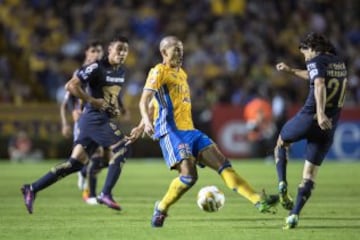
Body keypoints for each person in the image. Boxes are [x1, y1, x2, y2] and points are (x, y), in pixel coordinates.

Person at [127, 36, 279, 228]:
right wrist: (146, 123)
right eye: (176, 50)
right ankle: (161, 208)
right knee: (189, 177)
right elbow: (145, 100)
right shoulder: (159, 71)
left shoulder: (182, 73)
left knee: (224, 165)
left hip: (191, 131)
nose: (180, 54)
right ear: (164, 52)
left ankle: (259, 200)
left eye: (181, 50)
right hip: (172, 132)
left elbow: (155, 103)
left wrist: (142, 124)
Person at [21, 35, 130, 214]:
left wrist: (115, 109)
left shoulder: (121, 72)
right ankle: (105, 193)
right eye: (119, 49)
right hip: (94, 118)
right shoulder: (96, 67)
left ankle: (32, 188)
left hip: (101, 119)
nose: (122, 53)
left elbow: (111, 96)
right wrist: (91, 100)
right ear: (110, 49)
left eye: (125, 50)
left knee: (75, 164)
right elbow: (70, 86)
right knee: (122, 148)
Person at [274, 32, 347, 229]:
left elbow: (320, 83)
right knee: (309, 175)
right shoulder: (338, 62)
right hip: (328, 128)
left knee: (281, 142)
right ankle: (294, 214)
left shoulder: (315, 60)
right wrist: (290, 71)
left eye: (305, 53)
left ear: (312, 48)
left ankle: (282, 184)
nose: (305, 58)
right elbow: (314, 75)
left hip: (310, 118)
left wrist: (320, 112)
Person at [60, 40, 107, 205]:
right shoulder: (80, 72)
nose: (97, 54)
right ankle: (90, 194)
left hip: (96, 117)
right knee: (90, 156)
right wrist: (68, 120)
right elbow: (68, 97)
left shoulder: (101, 70)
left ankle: (87, 182)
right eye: (93, 50)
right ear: (87, 53)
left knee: (99, 158)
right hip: (83, 120)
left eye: (99, 51)